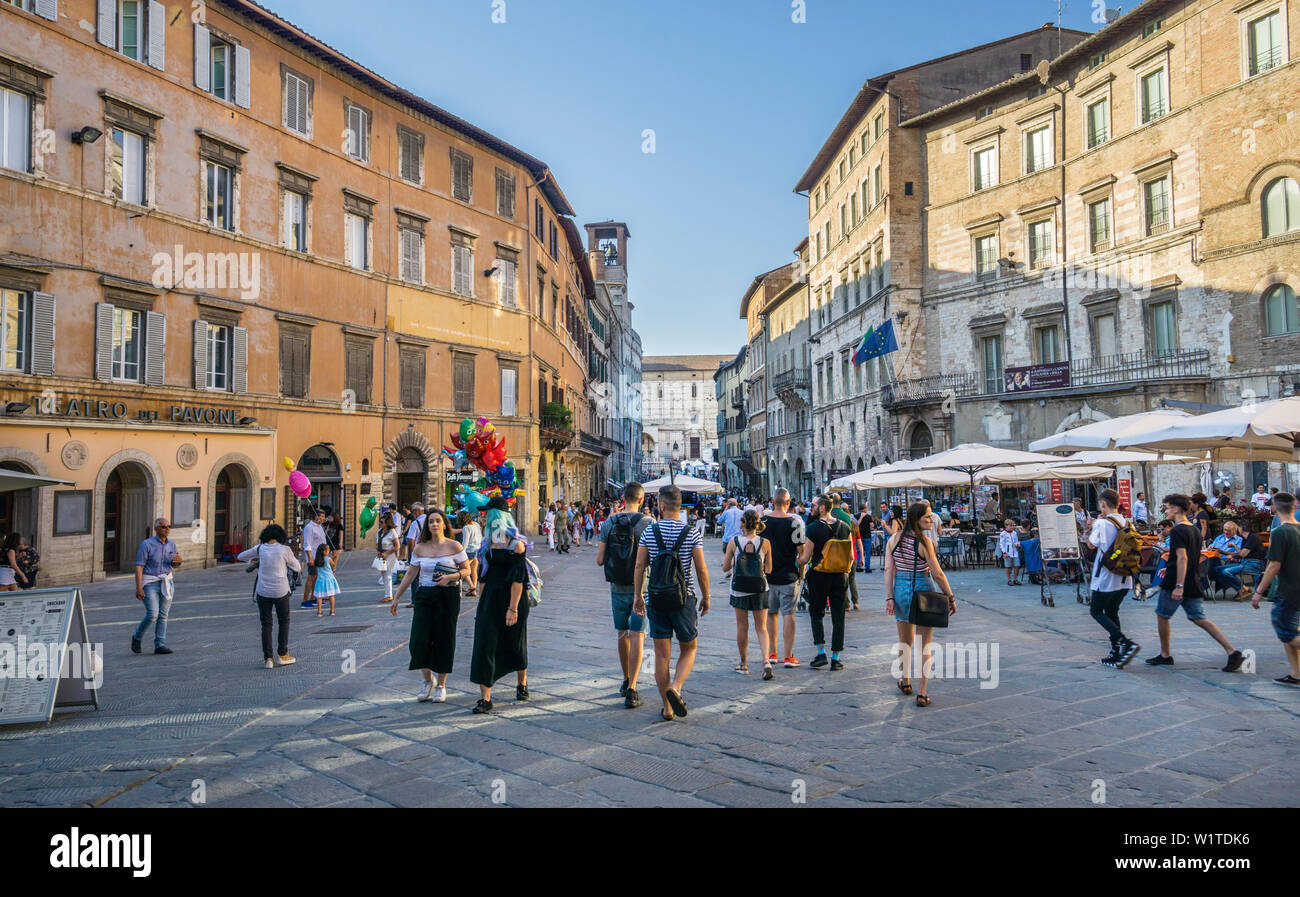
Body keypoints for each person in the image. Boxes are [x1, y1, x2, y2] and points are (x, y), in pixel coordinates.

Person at [633, 485, 710, 722]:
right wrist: (706, 596)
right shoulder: (692, 533)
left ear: (662, 505)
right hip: (684, 598)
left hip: (656, 598)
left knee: (661, 654)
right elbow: (701, 569)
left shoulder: (649, 532)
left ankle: (667, 708)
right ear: (680, 506)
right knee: (690, 648)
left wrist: (638, 596)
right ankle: (676, 688)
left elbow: (639, 566)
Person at [1145, 494, 1245, 673]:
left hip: (1178, 582)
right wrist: (1170, 568)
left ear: (1176, 509)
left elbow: (1183, 557)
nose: (1165, 510)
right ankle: (1232, 651)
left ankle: (1165, 654)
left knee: (1162, 614)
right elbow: (1194, 556)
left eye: (1167, 507)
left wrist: (1178, 585)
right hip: (1192, 579)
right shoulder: (1194, 529)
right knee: (1199, 617)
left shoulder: (1177, 531)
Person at [391, 509, 470, 703]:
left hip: (448, 596)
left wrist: (451, 577)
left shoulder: (454, 546)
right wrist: (397, 596)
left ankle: (441, 685)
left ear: (444, 524)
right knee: (418, 640)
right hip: (425, 595)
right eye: (431, 522)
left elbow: (466, 569)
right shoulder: (420, 548)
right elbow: (411, 573)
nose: (434, 524)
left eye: (437, 521)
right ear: (427, 526)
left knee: (444, 639)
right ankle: (427, 681)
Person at [884, 502, 956, 707]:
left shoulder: (893, 540)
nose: (931, 520)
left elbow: (888, 571)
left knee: (904, 641)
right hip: (923, 589)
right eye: (927, 517)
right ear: (916, 519)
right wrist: (950, 597)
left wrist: (889, 597)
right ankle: (922, 692)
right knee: (926, 644)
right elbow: (938, 573)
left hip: (901, 591)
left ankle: (905, 681)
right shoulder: (925, 543)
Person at [469, 498, 532, 713]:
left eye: (487, 513)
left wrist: (513, 608)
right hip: (490, 600)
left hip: (513, 599)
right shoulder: (487, 543)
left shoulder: (516, 545)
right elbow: (483, 577)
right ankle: (485, 698)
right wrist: (481, 605)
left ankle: (522, 684)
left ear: (497, 516)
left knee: (515, 640)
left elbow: (518, 578)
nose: (483, 516)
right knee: (484, 643)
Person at [596, 483, 653, 709]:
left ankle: (626, 678)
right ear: (642, 500)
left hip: (617, 586)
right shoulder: (649, 524)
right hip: (642, 589)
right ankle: (633, 688)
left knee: (622, 634)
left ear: (623, 497)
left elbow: (599, 560)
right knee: (638, 635)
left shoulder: (609, 522)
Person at [797, 496, 853, 671]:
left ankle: (821, 653)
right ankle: (836, 658)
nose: (810, 508)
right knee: (838, 616)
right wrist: (845, 570)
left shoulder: (813, 528)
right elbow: (850, 557)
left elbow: (805, 558)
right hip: (840, 577)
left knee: (816, 612)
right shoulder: (845, 527)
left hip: (819, 576)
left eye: (813, 505)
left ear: (822, 508)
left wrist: (797, 561)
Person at [1250, 492, 1300, 685]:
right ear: (1294, 507)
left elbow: (1273, 565)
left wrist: (1258, 591)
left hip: (1288, 590)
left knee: (1285, 631)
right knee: (1289, 632)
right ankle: (1296, 674)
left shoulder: (1280, 532)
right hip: (1295, 588)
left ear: (1274, 509)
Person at [1088, 489, 1139, 668]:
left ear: (1103, 503)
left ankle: (1124, 642)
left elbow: (1090, 545)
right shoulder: (1128, 523)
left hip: (1106, 576)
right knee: (1111, 612)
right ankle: (1116, 652)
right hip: (1125, 577)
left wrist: (1091, 526)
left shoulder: (1102, 523)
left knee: (1096, 611)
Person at [238, 525, 301, 668]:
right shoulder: (285, 549)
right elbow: (297, 567)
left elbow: (240, 556)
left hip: (263, 591)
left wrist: (255, 559)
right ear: (281, 536)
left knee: (266, 624)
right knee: (284, 621)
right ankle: (282, 654)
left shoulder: (260, 549)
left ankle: (268, 658)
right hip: (281, 591)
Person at [723, 509, 773, 680]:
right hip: (760, 588)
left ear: (742, 523)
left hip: (739, 589)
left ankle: (744, 664)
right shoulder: (765, 542)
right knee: (762, 627)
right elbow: (768, 569)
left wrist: (733, 561)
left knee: (742, 626)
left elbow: (725, 568)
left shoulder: (734, 542)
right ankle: (766, 661)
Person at [762, 488, 805, 669]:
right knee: (788, 614)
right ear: (788, 503)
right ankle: (788, 656)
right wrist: (801, 574)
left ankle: (772, 653)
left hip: (767, 576)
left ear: (773, 501)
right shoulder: (795, 523)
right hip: (788, 575)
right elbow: (801, 552)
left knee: (771, 614)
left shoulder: (762, 522)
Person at [132, 518, 181, 655]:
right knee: (152, 614)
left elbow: (174, 564)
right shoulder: (147, 544)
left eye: (168, 526)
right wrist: (139, 587)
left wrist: (178, 562)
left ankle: (160, 644)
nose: (167, 529)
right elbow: (139, 566)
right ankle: (137, 637)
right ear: (156, 529)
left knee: (163, 615)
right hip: (150, 582)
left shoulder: (172, 545)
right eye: (163, 526)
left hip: (167, 581)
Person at [1215, 523, 1265, 598]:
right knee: (1217, 569)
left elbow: (1242, 554)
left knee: (1226, 571)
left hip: (1254, 564)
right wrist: (1223, 552)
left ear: (1241, 528)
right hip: (1244, 562)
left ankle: (1241, 588)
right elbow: (1240, 554)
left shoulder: (1252, 538)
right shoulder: (1245, 538)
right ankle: (1243, 588)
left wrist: (1234, 545)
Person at [833, 498, 862, 610]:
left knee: (844, 580)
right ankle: (856, 602)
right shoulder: (854, 525)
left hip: (843, 555)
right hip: (853, 555)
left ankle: (846, 605)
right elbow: (859, 543)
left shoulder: (841, 524)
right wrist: (862, 557)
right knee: (852, 579)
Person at [301, 507, 327, 609]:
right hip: (313, 556)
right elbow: (307, 544)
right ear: (316, 517)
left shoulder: (319, 526)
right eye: (322, 516)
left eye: (324, 516)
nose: (323, 518)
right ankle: (305, 600)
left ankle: (313, 597)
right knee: (311, 578)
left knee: (316, 578)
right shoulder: (309, 527)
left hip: (320, 557)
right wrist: (310, 558)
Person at [456, 510, 483, 597]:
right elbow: (480, 536)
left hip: (469, 551)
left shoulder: (466, 528)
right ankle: (473, 589)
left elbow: (465, 542)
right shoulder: (476, 524)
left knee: (463, 569)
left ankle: (472, 587)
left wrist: (460, 552)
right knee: (474, 570)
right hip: (478, 550)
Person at [376, 512, 400, 603]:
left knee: (388, 575)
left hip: (390, 555)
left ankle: (389, 595)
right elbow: (377, 543)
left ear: (387, 523)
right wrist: (378, 551)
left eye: (382, 522)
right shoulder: (379, 532)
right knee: (383, 574)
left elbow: (397, 546)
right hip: (381, 555)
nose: (380, 524)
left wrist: (387, 553)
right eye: (380, 522)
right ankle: (387, 594)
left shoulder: (392, 532)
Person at [999, 518, 1022, 586]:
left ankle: (1015, 579)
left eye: (1013, 525)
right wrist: (1004, 552)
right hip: (1007, 552)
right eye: (1011, 525)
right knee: (1008, 566)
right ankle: (1009, 580)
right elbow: (1001, 544)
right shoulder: (1003, 534)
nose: (1012, 527)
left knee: (1017, 565)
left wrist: (1018, 544)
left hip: (1015, 551)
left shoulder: (1014, 533)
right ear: (1006, 525)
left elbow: (1016, 541)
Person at [857, 507, 874, 573]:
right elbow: (872, 525)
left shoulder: (857, 516)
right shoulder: (868, 516)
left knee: (858, 551)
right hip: (867, 536)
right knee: (867, 552)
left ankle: (858, 567)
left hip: (859, 537)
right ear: (865, 509)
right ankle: (867, 567)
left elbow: (856, 524)